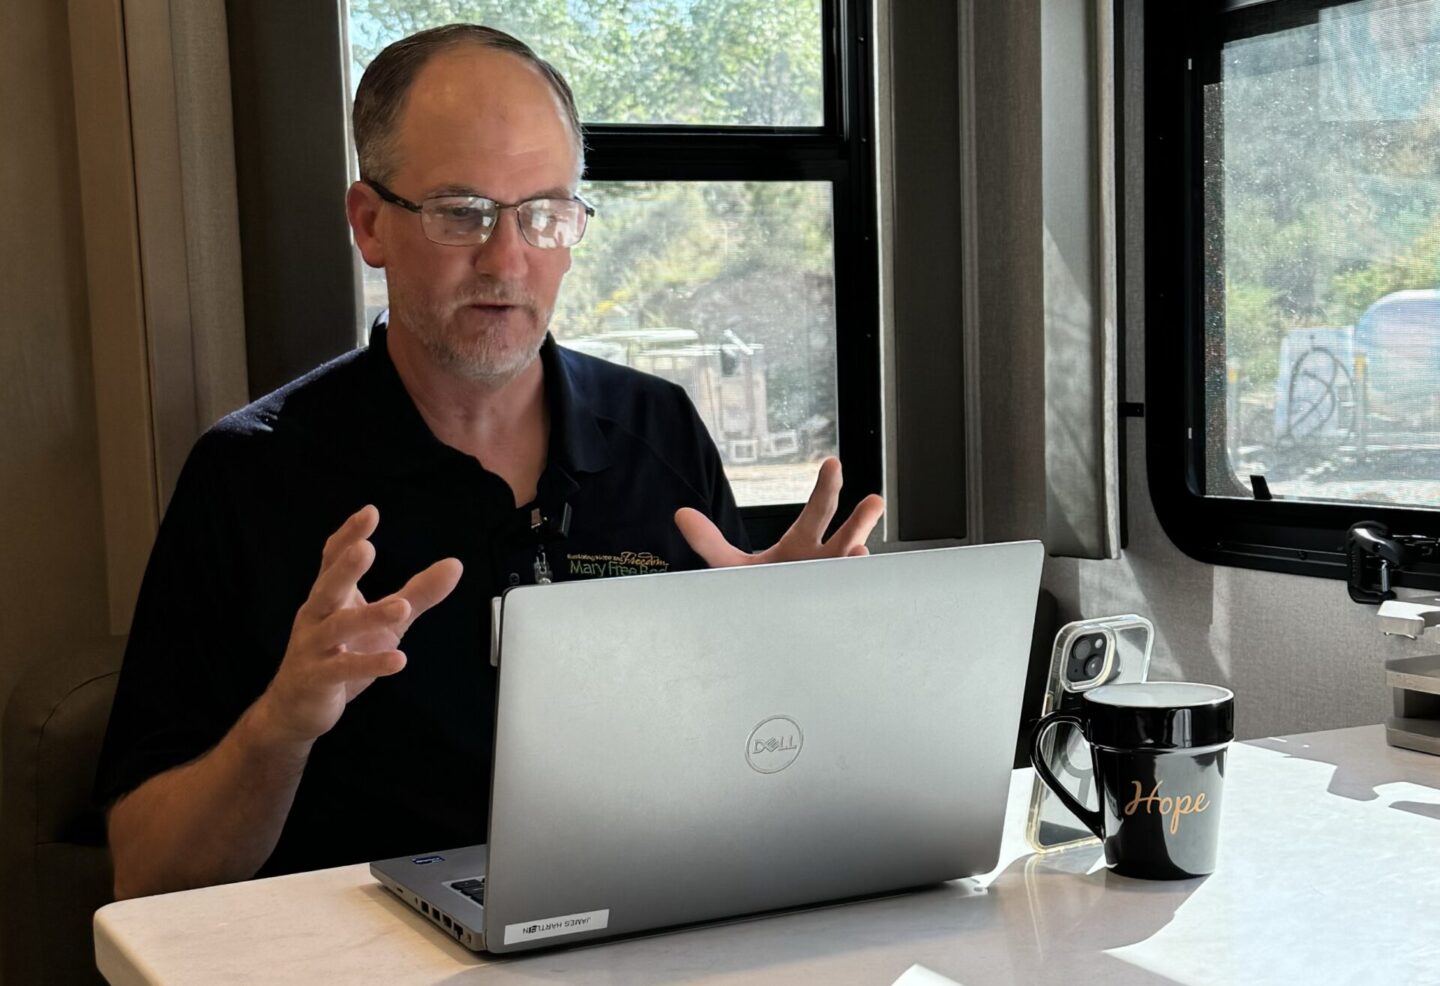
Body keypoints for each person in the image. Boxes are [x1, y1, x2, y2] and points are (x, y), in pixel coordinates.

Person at [96, 24, 884, 901]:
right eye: (462, 212)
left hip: (638, 924)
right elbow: (145, 874)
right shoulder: (251, 474)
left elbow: (745, 786)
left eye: (545, 214)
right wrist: (281, 725)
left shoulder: (656, 430)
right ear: (370, 224)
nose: (508, 261)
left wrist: (790, 652)